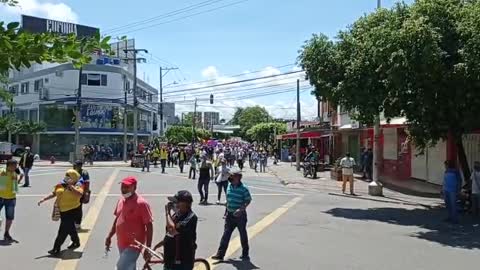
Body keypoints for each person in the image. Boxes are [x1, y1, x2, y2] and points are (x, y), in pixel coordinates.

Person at [105, 176, 154, 270]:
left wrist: (148, 247)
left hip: (134, 244)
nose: (123, 189)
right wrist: (109, 236)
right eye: (122, 186)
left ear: (134, 187)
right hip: (121, 242)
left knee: (121, 268)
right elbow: (117, 219)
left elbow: (149, 225)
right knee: (129, 267)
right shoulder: (121, 200)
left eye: (127, 187)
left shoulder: (141, 203)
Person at [38, 169, 84, 256]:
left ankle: (56, 248)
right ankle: (76, 242)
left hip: (73, 209)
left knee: (63, 230)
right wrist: (44, 199)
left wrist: (71, 187)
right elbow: (54, 193)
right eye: (66, 176)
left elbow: (80, 194)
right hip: (62, 210)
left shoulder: (78, 185)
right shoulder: (60, 184)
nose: (67, 178)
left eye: (69, 176)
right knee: (70, 227)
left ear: (74, 177)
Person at [212, 169, 251, 261]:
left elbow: (248, 200)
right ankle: (220, 254)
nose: (230, 177)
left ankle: (245, 253)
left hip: (240, 216)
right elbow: (228, 199)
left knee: (242, 234)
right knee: (226, 234)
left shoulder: (244, 189)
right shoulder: (229, 186)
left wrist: (241, 209)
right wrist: (226, 209)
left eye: (232, 176)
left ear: (238, 177)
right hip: (230, 215)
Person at [155, 190, 198, 270]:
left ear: (186, 203)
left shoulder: (190, 217)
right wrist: (160, 244)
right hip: (170, 260)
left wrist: (167, 213)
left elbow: (172, 229)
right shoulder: (176, 215)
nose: (175, 205)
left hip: (182, 262)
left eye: (177, 202)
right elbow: (169, 234)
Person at [0, 159, 23, 241]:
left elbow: (15, 186)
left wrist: (20, 178)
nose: (16, 167)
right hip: (1, 197)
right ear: (9, 166)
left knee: (10, 217)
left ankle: (6, 233)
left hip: (11, 198)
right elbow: (2, 186)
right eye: (14, 166)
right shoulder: (3, 172)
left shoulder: (14, 173)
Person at [73, 160, 90, 230]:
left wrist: (86, 193)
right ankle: (72, 222)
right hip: (72, 192)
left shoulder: (84, 173)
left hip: (80, 193)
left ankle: (77, 224)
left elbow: (87, 183)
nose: (74, 166)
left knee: (79, 208)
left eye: (75, 165)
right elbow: (65, 181)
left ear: (80, 166)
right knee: (72, 208)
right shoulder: (72, 172)